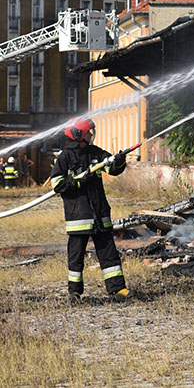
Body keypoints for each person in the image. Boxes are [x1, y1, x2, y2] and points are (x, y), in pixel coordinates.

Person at [49, 118, 129, 301]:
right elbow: (57, 184)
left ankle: (118, 290)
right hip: (79, 216)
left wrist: (119, 161)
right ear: (78, 134)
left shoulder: (95, 153)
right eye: (88, 132)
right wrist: (77, 182)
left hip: (100, 214)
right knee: (76, 256)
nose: (91, 135)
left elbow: (113, 169)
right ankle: (75, 292)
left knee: (109, 253)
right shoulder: (65, 157)